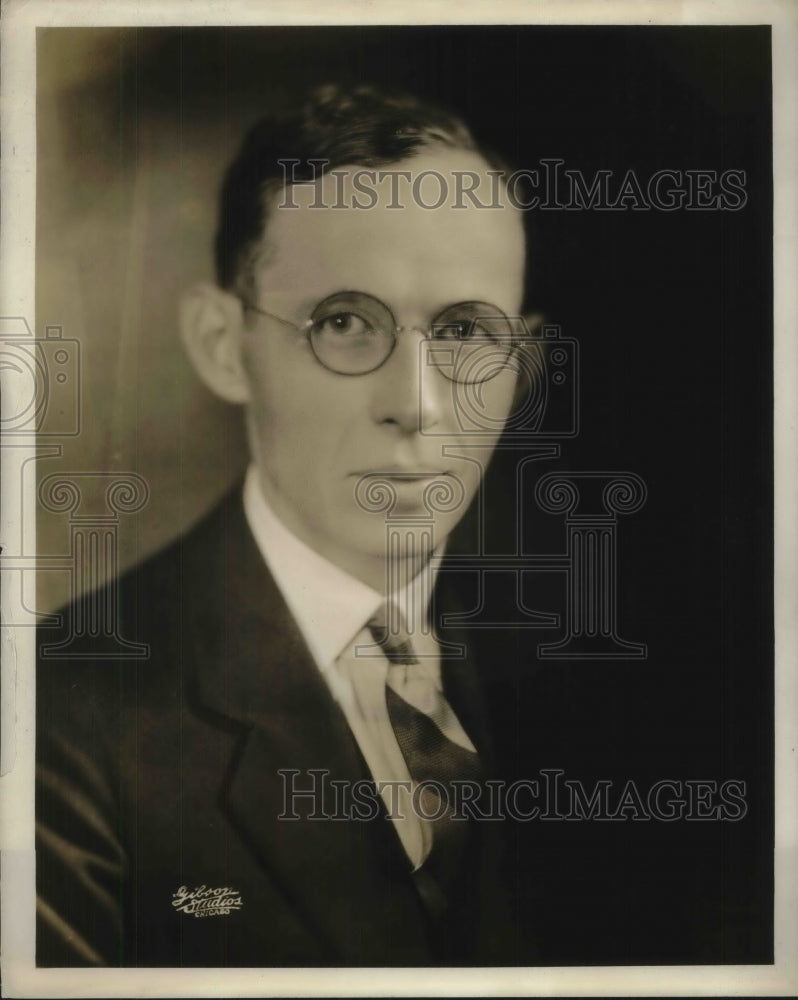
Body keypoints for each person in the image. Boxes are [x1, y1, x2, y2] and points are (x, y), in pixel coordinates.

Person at [35, 84, 539, 967]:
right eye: (345, 323)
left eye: (464, 331)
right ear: (223, 345)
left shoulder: (594, 683)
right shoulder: (59, 724)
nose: (417, 406)